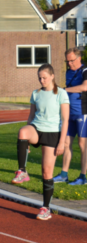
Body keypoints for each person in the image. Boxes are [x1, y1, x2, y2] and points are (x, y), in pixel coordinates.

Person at [11, 64, 69, 221]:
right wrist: (26, 141)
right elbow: (31, 116)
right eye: (39, 78)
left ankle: (46, 208)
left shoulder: (61, 94)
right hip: (37, 128)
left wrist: (62, 142)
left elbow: (65, 119)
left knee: (46, 172)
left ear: (52, 76)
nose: (41, 80)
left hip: (53, 134)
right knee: (22, 131)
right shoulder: (35, 94)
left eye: (44, 77)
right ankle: (22, 171)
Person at [53, 48, 87, 185]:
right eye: (67, 61)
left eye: (71, 61)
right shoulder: (68, 72)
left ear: (79, 58)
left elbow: (85, 87)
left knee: (82, 144)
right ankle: (63, 174)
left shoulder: (85, 71)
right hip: (69, 114)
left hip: (82, 113)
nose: (69, 64)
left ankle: (83, 177)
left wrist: (63, 90)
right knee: (66, 144)